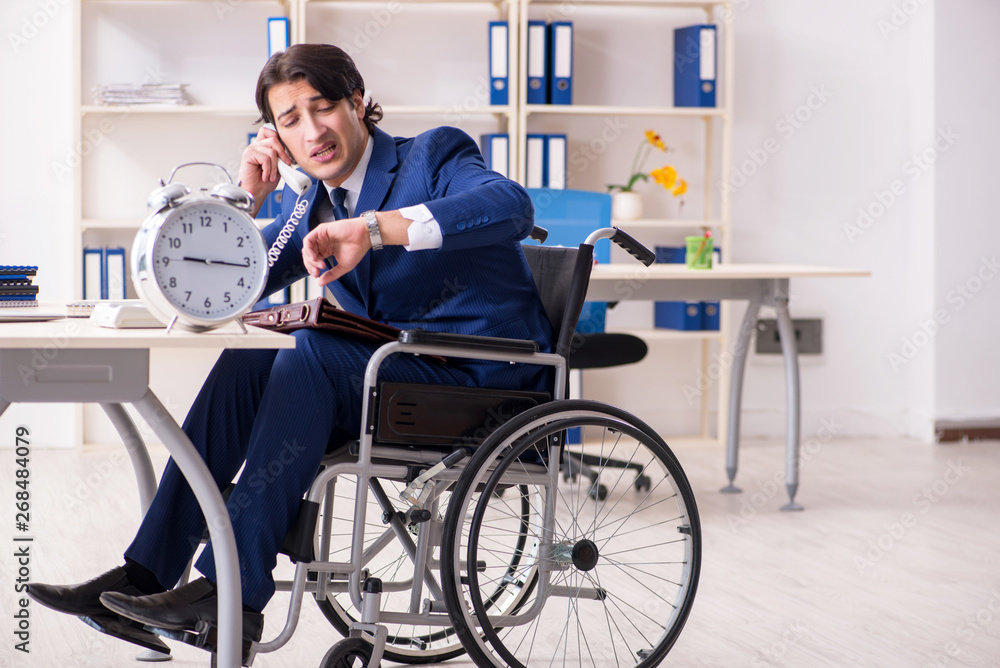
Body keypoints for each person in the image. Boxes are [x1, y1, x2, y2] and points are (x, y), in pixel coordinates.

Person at [28, 43, 553, 658]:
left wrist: (376, 229)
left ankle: (233, 596)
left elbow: (512, 206)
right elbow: (233, 275)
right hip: (394, 377)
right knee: (246, 364)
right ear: (274, 133)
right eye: (289, 120)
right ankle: (147, 574)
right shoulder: (316, 202)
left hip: (479, 384)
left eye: (323, 108)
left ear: (358, 104)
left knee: (308, 350)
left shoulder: (432, 155)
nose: (312, 132)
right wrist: (245, 197)